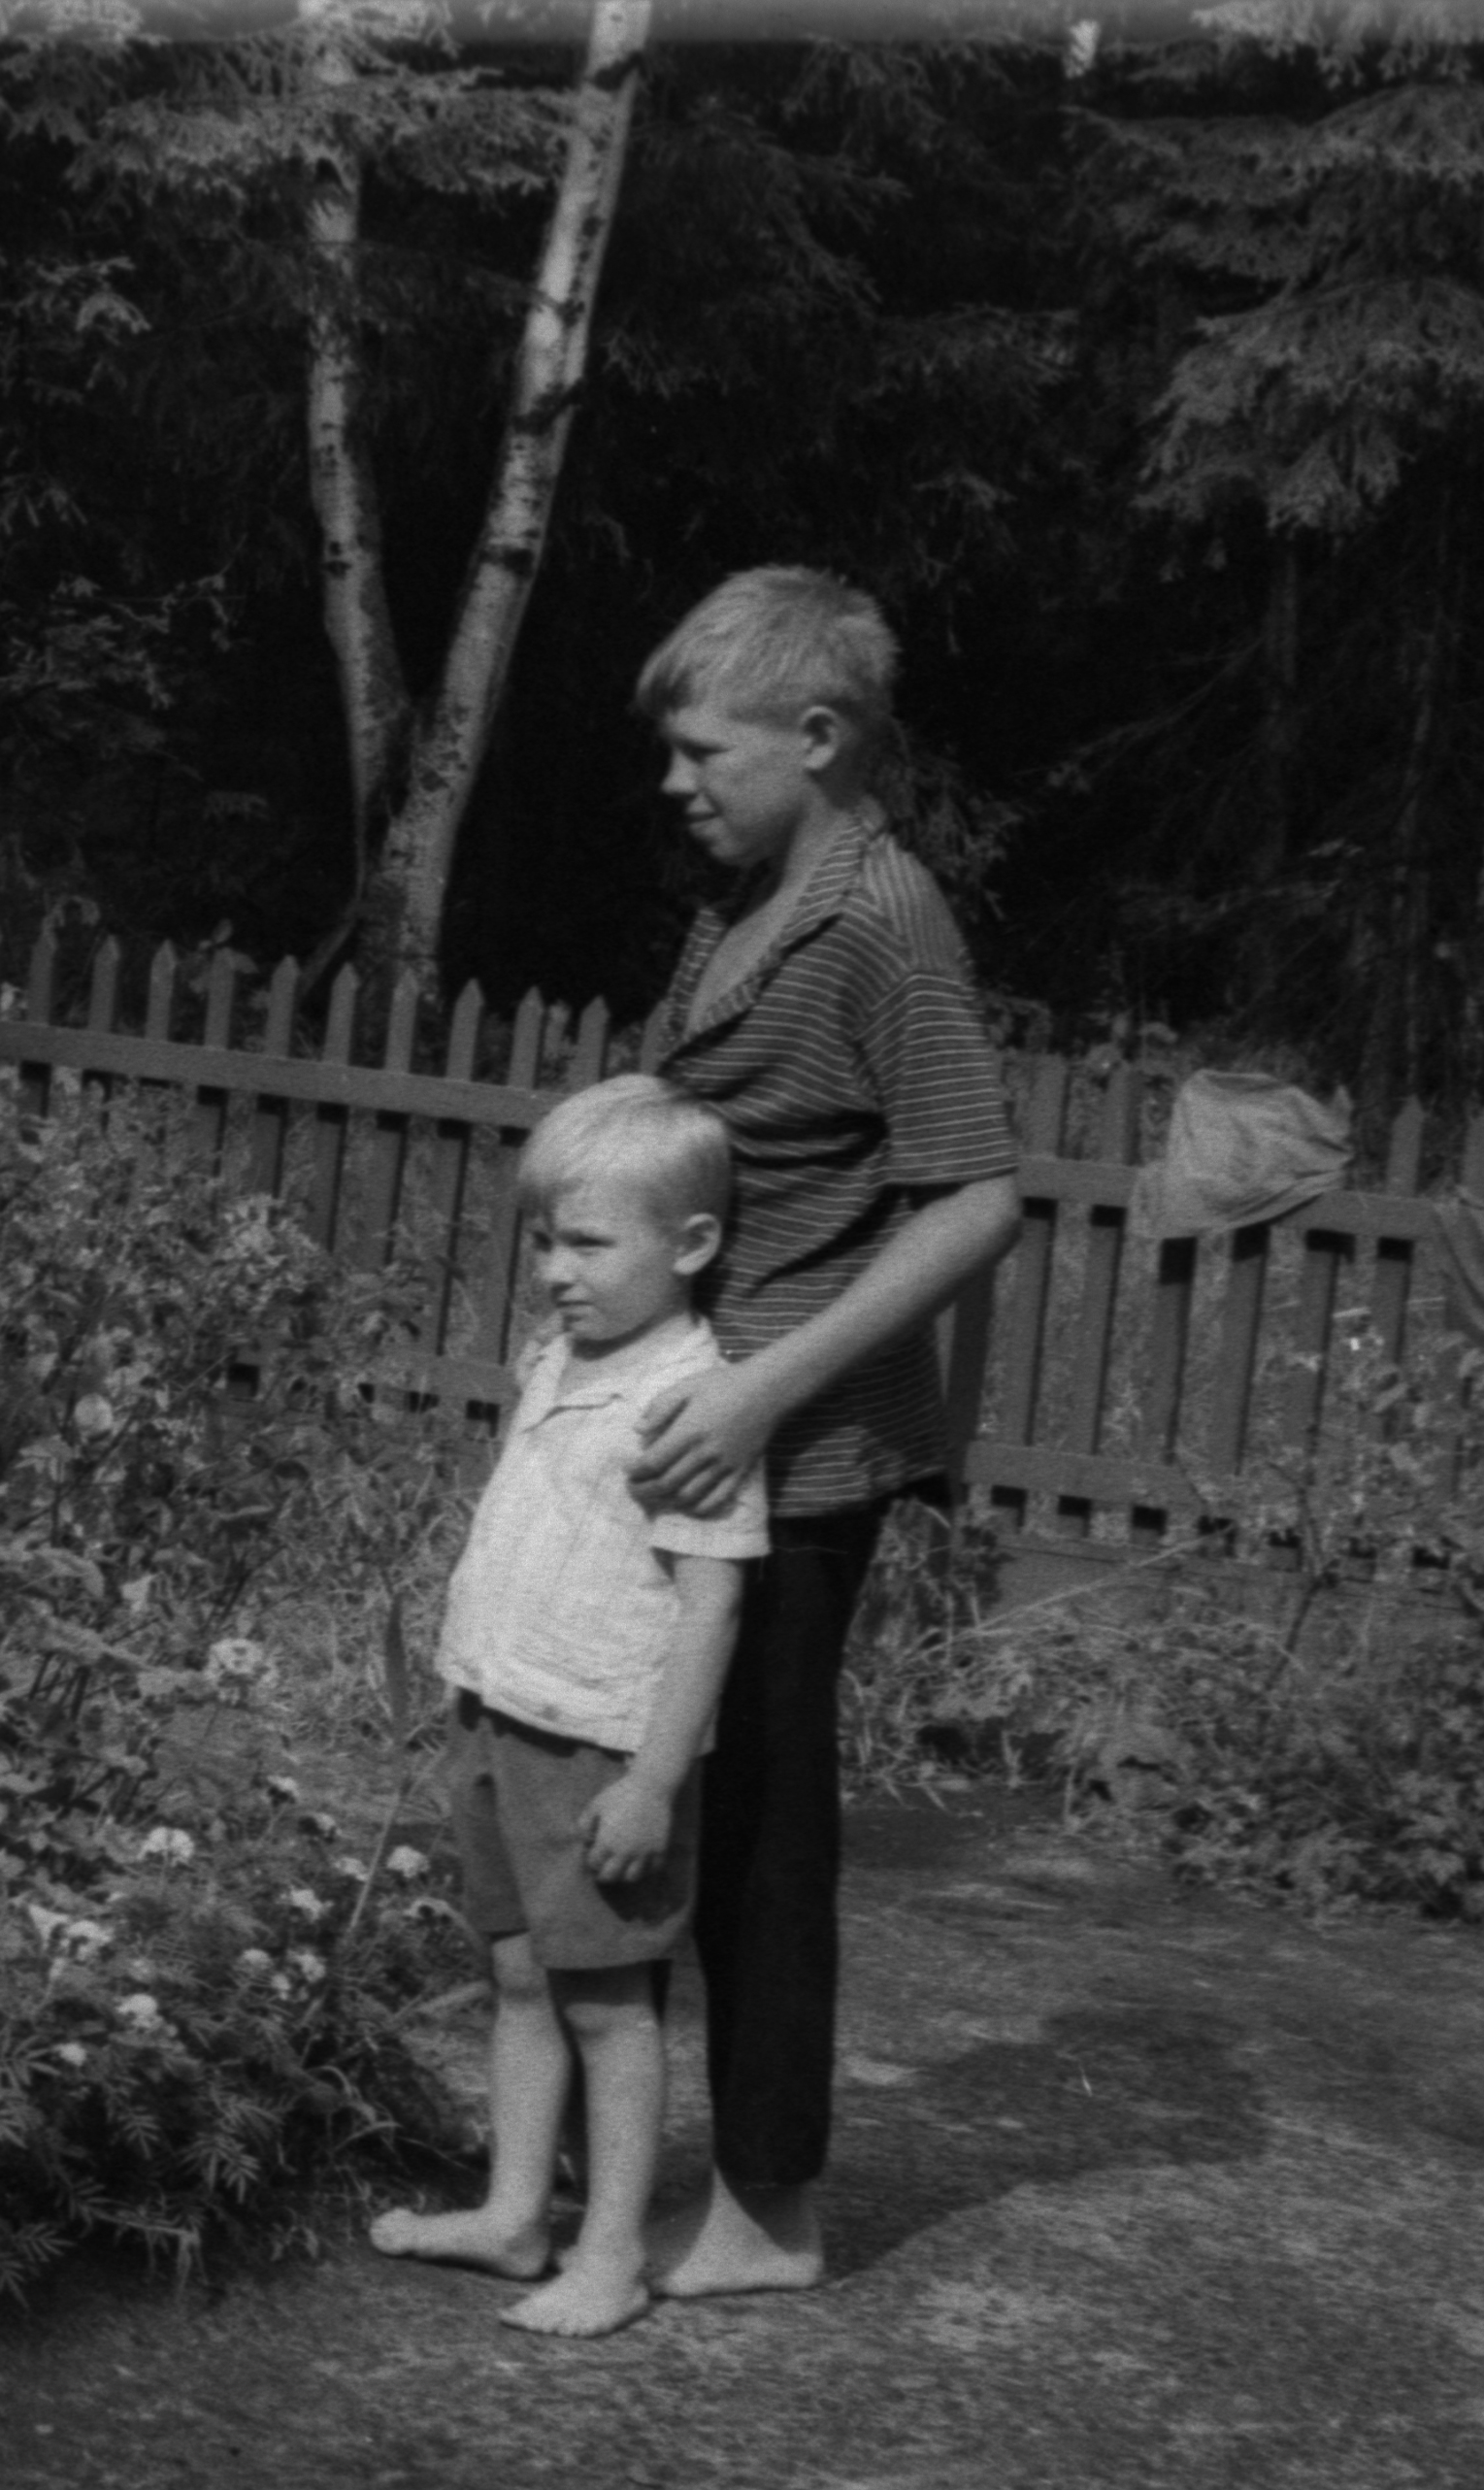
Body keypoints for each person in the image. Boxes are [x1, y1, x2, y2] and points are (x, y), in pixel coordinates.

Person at [623, 566, 1023, 2299]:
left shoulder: (879, 920)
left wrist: (760, 1389)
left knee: (765, 1821)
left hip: (796, 1450)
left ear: (818, 737)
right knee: (663, 1788)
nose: (673, 781)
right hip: (709, 1429)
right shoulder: (748, 902)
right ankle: (647, 2148)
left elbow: (974, 1202)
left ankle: (768, 2208)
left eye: (705, 750)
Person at [372, 1075, 765, 2339]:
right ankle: (510, 2215)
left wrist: (653, 1780)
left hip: (596, 1748)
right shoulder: (560, 1354)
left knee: (609, 2000)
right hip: (496, 1715)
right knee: (518, 1977)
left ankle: (609, 2259)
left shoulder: (691, 1405)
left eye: (589, 1243)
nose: (554, 1268)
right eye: (545, 1239)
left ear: (689, 1244)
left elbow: (711, 1607)